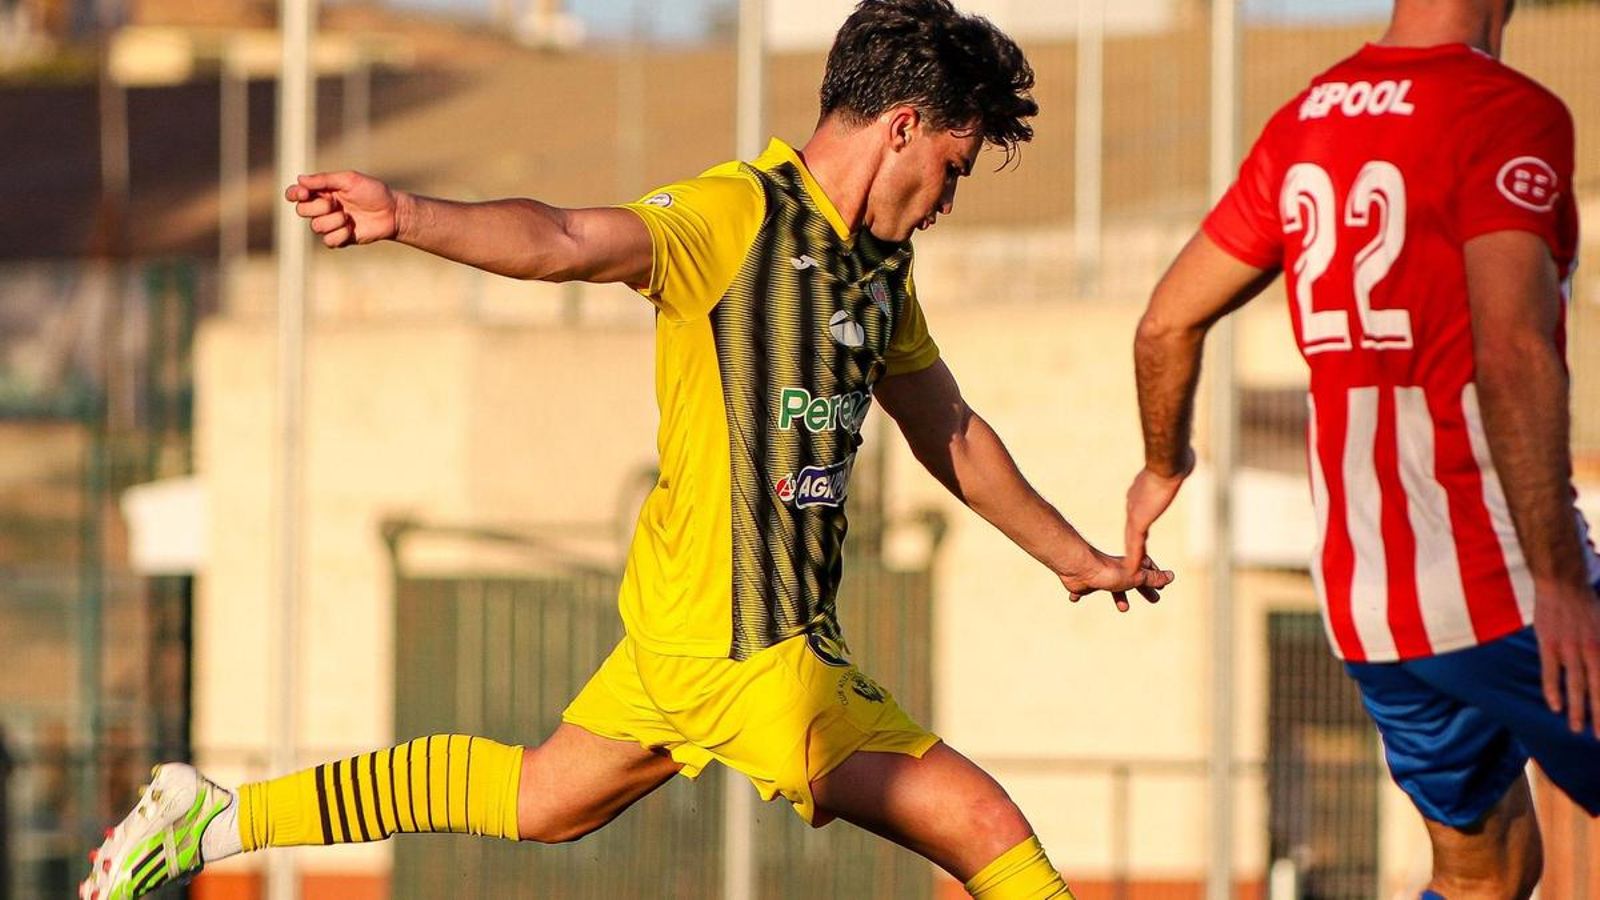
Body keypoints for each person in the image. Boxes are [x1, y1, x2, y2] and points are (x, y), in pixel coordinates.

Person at [81, 2, 1172, 898]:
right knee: (984, 827)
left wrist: (1074, 557)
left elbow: (950, 429)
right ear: (900, 126)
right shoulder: (736, 216)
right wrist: (405, 213)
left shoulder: (879, 271)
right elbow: (566, 239)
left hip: (684, 638)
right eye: (952, 165)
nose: (947, 199)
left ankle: (217, 820)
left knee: (541, 800)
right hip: (752, 652)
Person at [1121, 0, 1600, 896]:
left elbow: (1164, 324)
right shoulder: (1506, 111)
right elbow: (1511, 352)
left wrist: (1163, 464)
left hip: (1368, 602)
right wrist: (1563, 580)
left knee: (1489, 874)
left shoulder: (1306, 120)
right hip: (1498, 582)